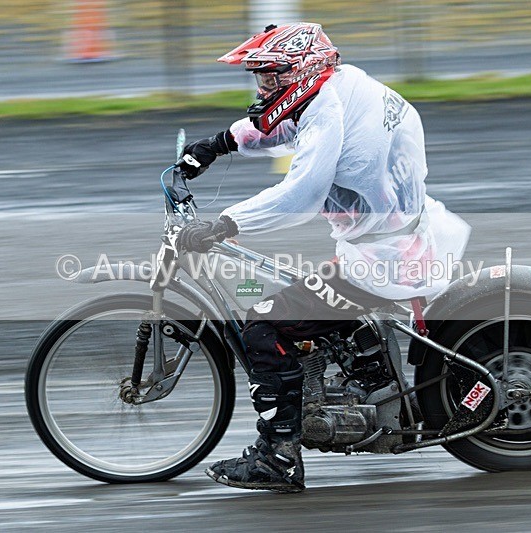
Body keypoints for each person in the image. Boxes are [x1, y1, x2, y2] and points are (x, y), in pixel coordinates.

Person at [175, 23, 470, 493]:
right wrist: (219, 143)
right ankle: (373, 372)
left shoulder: (325, 111)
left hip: (383, 257)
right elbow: (281, 124)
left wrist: (225, 223)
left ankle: (278, 458)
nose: (264, 87)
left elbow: (300, 196)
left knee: (262, 324)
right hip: (400, 237)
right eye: (261, 77)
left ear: (304, 68)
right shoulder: (343, 82)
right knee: (305, 291)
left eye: (273, 76)